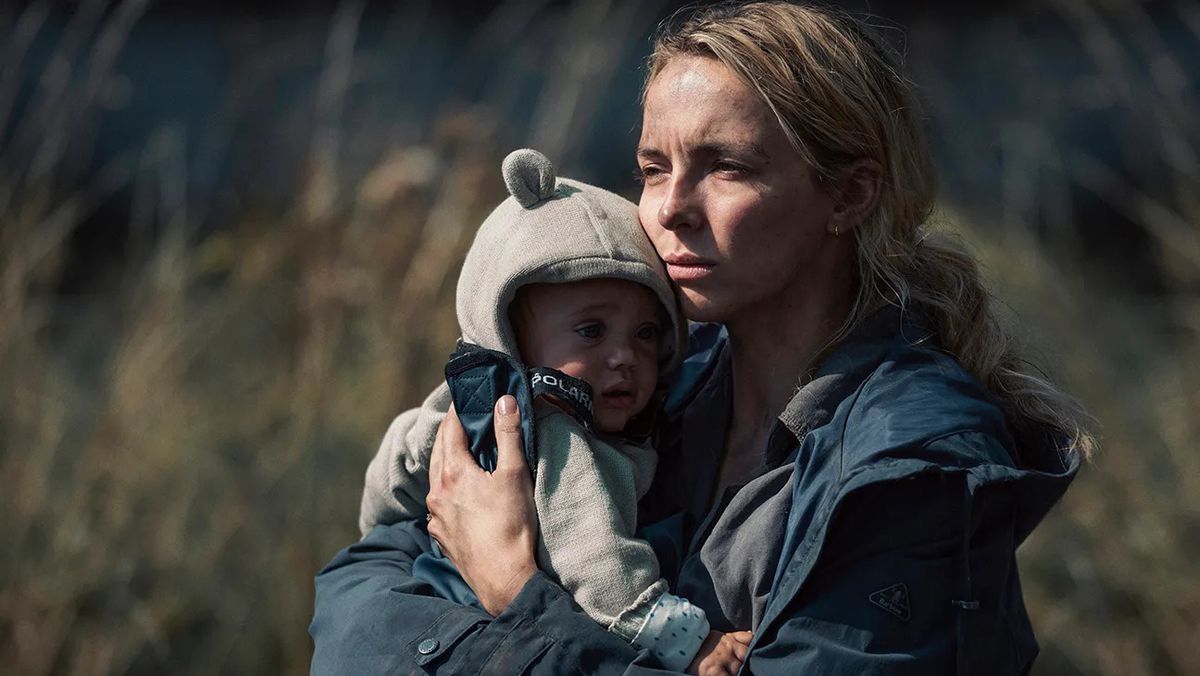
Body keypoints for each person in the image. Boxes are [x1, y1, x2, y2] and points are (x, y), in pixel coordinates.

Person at [310, 2, 1095, 674]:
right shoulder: (646, 382)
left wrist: (514, 591)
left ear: (850, 193)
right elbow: (357, 602)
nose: (669, 209)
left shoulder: (909, 466)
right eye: (654, 168)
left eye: (724, 167)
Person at [357, 147, 750, 674]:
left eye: (647, 334)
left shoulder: (468, 405)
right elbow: (595, 559)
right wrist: (690, 642)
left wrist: (383, 530)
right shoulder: (563, 436)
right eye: (591, 331)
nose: (623, 357)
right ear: (514, 338)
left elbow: (402, 453)